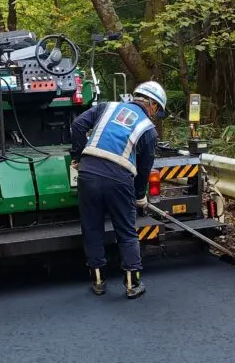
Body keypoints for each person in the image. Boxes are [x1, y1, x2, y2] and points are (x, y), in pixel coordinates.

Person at [70, 81, 166, 299]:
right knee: (126, 231)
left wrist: (77, 156)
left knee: (92, 228)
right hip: (119, 178)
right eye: (157, 109)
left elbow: (77, 125)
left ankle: (98, 282)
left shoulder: (107, 107)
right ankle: (133, 285)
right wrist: (139, 196)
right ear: (150, 103)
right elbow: (143, 169)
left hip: (88, 173)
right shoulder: (148, 131)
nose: (155, 115)